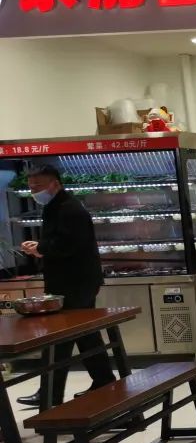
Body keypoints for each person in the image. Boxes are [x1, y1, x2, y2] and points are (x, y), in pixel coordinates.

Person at [17, 165, 116, 407]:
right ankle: (104, 381)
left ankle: (49, 394)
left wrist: (41, 249)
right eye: (31, 187)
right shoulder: (57, 206)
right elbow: (59, 240)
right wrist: (40, 246)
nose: (34, 191)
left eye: (38, 186)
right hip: (76, 281)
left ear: (54, 183)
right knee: (86, 333)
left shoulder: (69, 209)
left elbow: (69, 244)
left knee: (58, 337)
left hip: (73, 282)